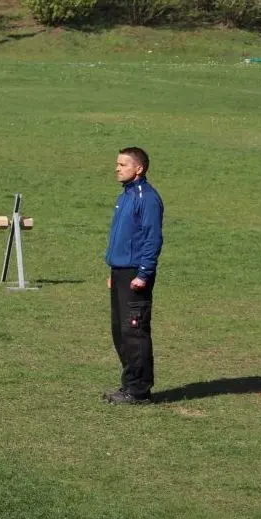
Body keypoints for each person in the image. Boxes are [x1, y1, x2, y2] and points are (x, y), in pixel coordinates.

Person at [103, 146, 164, 405]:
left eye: (123, 165)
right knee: (120, 331)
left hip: (135, 274)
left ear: (139, 168)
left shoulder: (146, 198)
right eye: (117, 164)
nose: (117, 168)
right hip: (120, 272)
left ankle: (139, 391)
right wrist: (114, 270)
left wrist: (143, 273)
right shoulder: (125, 195)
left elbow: (152, 239)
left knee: (134, 332)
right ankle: (129, 385)